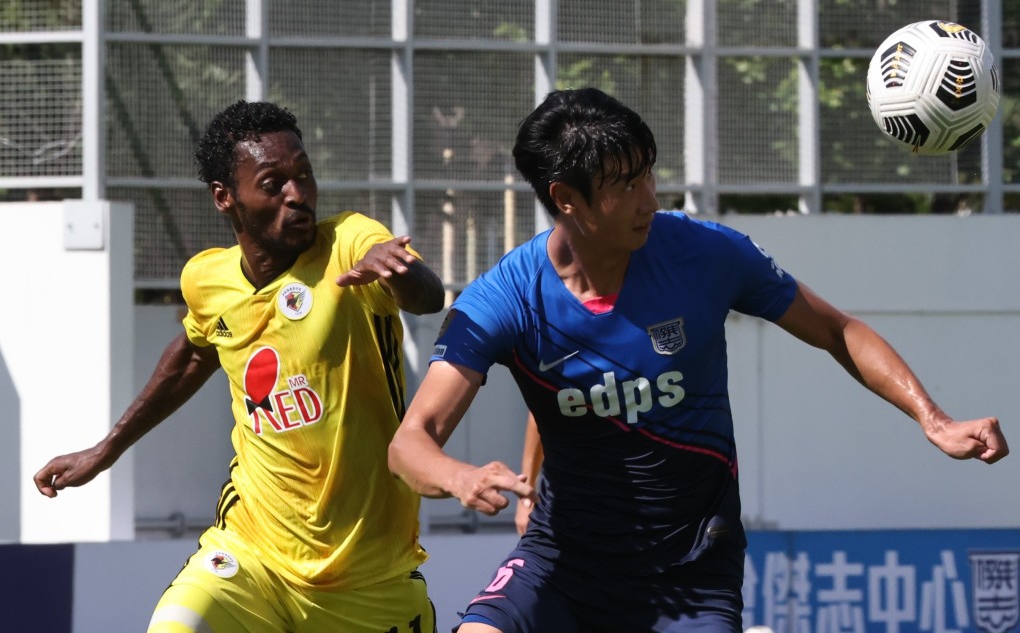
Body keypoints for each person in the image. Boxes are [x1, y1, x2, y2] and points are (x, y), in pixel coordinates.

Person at [387, 87, 1009, 633]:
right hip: (563, 561)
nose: (648, 199)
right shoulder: (505, 297)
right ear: (566, 199)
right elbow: (409, 443)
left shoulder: (706, 255)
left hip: (691, 573)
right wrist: (458, 477)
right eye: (625, 185)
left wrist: (934, 419)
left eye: (648, 175)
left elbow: (836, 330)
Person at [34, 101, 445, 633]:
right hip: (252, 558)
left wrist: (396, 271)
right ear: (224, 197)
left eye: (304, 176)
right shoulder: (207, 280)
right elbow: (193, 353)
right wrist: (104, 449)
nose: (297, 195)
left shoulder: (348, 242)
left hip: (370, 577)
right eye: (273, 183)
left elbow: (427, 297)